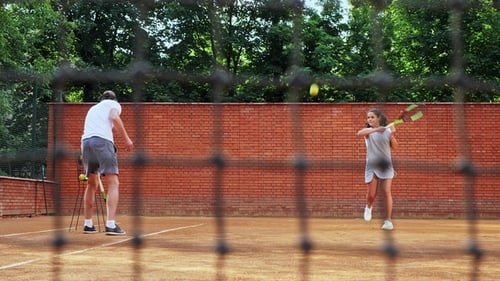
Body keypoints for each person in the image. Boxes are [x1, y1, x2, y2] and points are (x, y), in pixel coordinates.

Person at [81, 90, 133, 235]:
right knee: (113, 182)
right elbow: (114, 117)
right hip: (102, 141)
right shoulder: (113, 105)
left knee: (91, 184)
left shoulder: (93, 108)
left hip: (86, 142)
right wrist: (126, 139)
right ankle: (110, 224)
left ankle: (88, 224)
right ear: (114, 99)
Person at [357, 108, 398, 230]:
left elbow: (395, 147)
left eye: (372, 117)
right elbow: (359, 133)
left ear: (379, 118)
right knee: (372, 194)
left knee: (386, 192)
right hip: (372, 165)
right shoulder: (368, 131)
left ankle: (388, 221)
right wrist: (377, 129)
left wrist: (391, 134)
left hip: (386, 165)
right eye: (368, 117)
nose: (369, 119)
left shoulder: (387, 131)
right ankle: (369, 206)